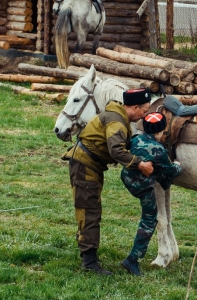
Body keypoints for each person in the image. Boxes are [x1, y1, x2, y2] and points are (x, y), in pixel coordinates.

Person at [62, 88, 154, 275]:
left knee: (90, 208)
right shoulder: (117, 121)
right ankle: (89, 263)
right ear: (135, 107)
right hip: (85, 166)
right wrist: (140, 164)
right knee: (89, 210)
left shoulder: (117, 116)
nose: (144, 115)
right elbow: (116, 150)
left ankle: (88, 254)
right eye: (144, 111)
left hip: (89, 164)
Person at [120, 112, 182, 276]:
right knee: (150, 219)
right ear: (161, 131)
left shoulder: (135, 139)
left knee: (159, 175)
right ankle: (133, 259)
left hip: (127, 178)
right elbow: (171, 171)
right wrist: (177, 165)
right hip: (143, 186)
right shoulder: (159, 149)